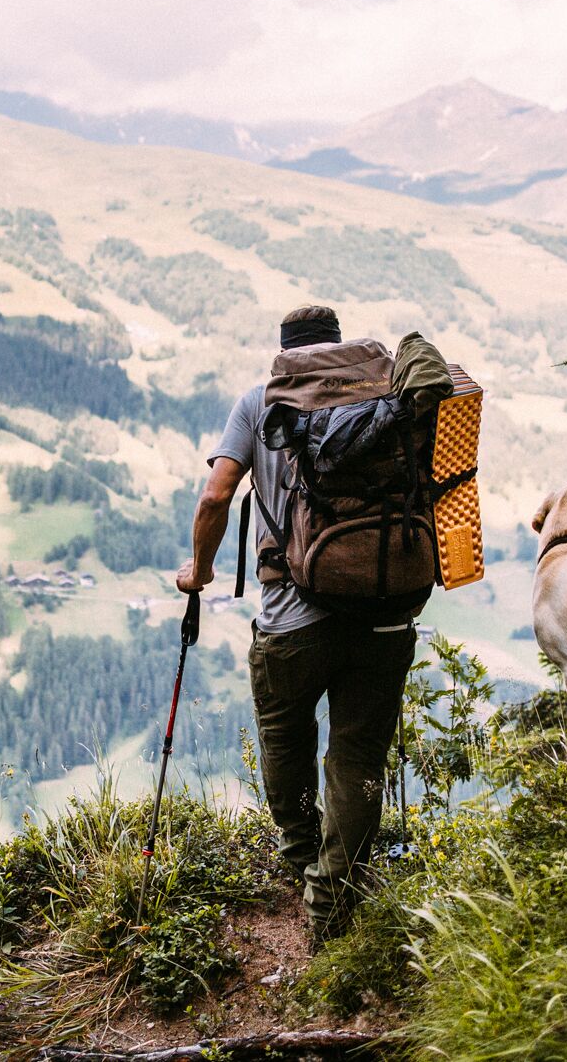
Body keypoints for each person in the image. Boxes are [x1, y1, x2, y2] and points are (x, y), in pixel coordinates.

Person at [175, 304, 420, 944]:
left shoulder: (260, 402)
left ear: (286, 353)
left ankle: (301, 857)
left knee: (285, 739)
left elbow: (215, 497)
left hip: (291, 618)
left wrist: (197, 571)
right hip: (384, 615)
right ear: (337, 347)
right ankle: (331, 898)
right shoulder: (388, 394)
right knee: (358, 756)